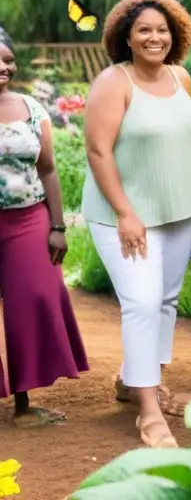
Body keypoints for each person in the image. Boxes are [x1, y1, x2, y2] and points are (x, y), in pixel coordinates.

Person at [81, 0, 191, 448]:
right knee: (141, 300)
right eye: (144, 31)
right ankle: (150, 413)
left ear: (174, 35)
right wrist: (125, 213)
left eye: (162, 30)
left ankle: (136, 380)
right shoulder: (113, 82)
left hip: (176, 209)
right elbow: (97, 150)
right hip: (124, 214)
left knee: (166, 300)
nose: (155, 37)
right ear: (127, 38)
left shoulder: (181, 78)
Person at [0, 27, 88, 426]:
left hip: (28, 219)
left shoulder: (32, 108)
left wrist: (58, 225)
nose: (4, 67)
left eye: (7, 59)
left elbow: (48, 169)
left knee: (31, 302)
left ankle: (23, 405)